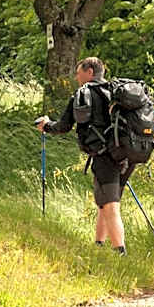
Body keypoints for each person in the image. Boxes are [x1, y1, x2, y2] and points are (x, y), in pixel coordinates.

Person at [35, 57, 130, 255]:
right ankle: (99, 245)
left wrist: (46, 125)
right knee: (103, 200)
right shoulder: (116, 91)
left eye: (79, 73)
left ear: (89, 72)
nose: (77, 78)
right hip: (127, 154)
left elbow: (63, 126)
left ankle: (121, 255)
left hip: (105, 156)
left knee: (111, 204)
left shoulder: (83, 94)